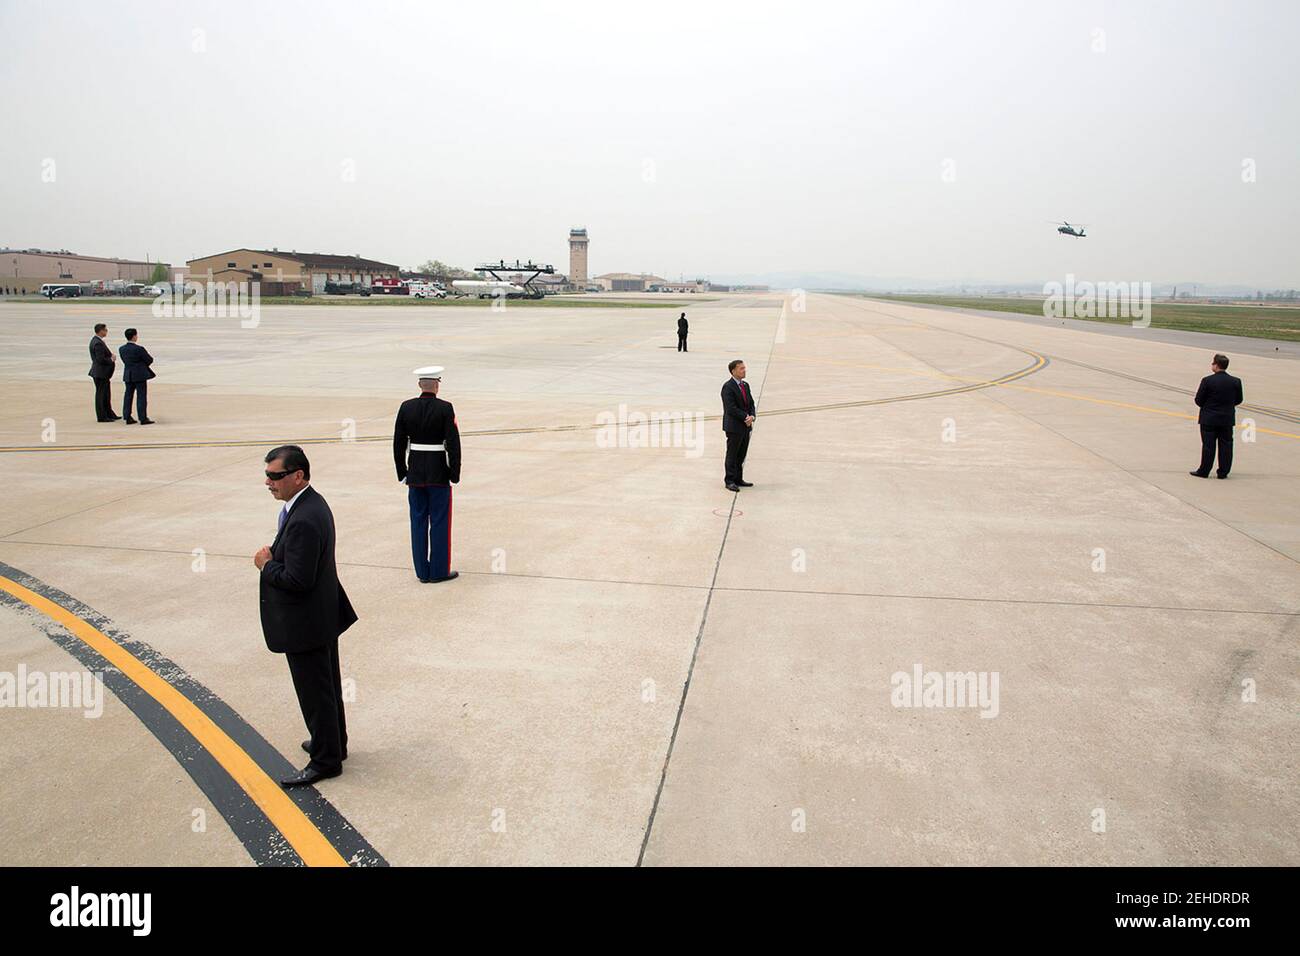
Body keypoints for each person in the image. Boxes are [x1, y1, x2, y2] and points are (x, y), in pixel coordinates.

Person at [254, 445, 358, 787]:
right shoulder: (309, 504)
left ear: (298, 475)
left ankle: (326, 761)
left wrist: (267, 565)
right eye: (267, 476)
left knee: (315, 692)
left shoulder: (303, 519)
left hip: (307, 622)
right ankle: (332, 743)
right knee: (325, 687)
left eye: (275, 476)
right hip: (322, 615)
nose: (269, 483)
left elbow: (298, 580)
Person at [394, 366, 462, 583]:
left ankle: (423, 572)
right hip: (438, 473)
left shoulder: (406, 407)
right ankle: (439, 571)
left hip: (415, 473)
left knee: (418, 522)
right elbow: (453, 444)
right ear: (437, 385)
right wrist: (454, 473)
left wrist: (402, 472)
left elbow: (398, 443)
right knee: (440, 522)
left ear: (419, 385)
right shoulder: (445, 408)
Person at [1190, 353, 1244, 479]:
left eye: (1213, 363)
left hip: (1209, 418)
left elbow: (1198, 400)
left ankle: (1204, 470)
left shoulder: (1207, 380)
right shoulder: (1235, 381)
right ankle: (1223, 472)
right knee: (1226, 446)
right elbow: (1239, 399)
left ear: (1216, 365)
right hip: (1226, 419)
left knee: (1208, 446)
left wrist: (1208, 407)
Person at [721, 359, 756, 491]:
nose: (744, 370)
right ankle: (729, 480)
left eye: (744, 368)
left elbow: (751, 403)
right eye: (741, 368)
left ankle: (738, 478)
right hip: (734, 426)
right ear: (733, 371)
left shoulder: (745, 385)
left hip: (746, 426)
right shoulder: (728, 387)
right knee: (732, 454)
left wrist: (752, 416)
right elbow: (730, 408)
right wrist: (745, 417)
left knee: (741, 454)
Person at [118, 328, 155, 425]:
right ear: (134, 336)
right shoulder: (139, 349)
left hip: (128, 375)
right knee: (141, 396)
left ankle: (127, 416)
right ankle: (142, 417)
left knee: (128, 396)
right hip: (139, 375)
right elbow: (149, 360)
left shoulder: (122, 349)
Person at [88, 323, 119, 422]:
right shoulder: (97, 343)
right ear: (101, 331)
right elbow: (100, 359)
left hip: (103, 373)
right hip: (100, 373)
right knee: (101, 395)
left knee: (106, 394)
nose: (106, 331)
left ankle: (109, 413)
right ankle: (102, 416)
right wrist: (111, 359)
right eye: (105, 330)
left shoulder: (98, 341)